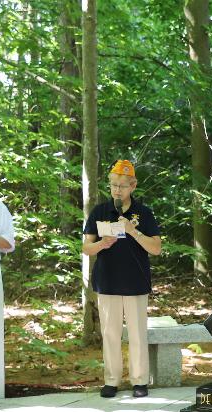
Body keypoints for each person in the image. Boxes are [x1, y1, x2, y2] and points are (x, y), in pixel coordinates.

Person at [82, 160, 162, 398]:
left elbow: (156, 248)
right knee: (110, 333)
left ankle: (139, 381)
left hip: (136, 281)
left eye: (122, 186)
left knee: (138, 333)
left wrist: (132, 230)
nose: (117, 190)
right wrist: (100, 244)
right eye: (113, 185)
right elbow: (86, 248)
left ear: (133, 185)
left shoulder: (144, 213)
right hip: (107, 281)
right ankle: (112, 381)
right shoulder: (100, 211)